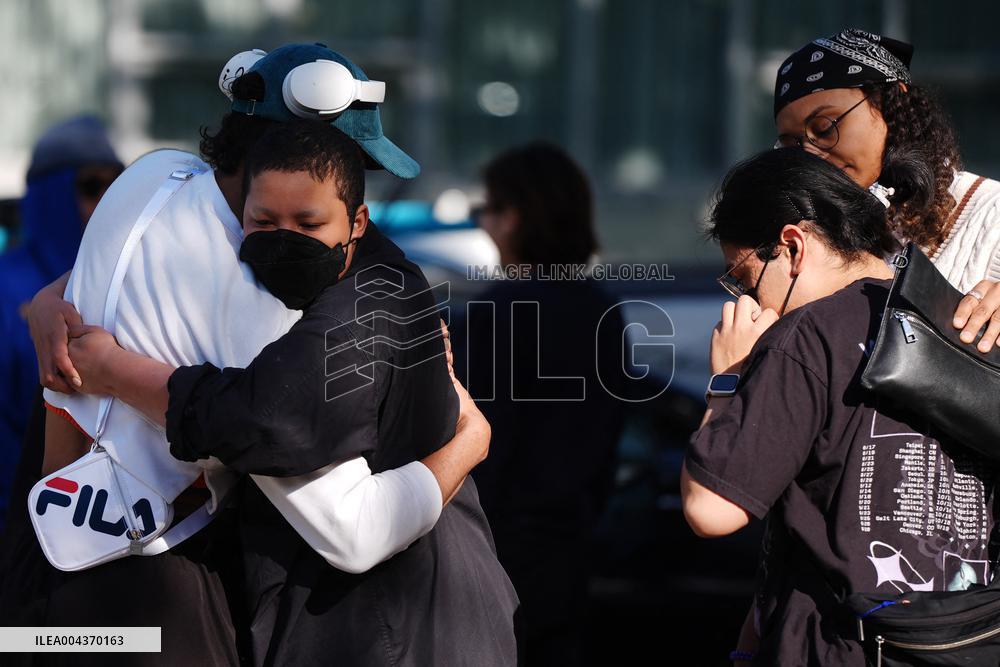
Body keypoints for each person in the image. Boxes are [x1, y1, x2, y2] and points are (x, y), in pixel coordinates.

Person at [0, 45, 497, 666]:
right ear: (283, 153)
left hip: (37, 570)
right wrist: (469, 443)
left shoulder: (149, 178)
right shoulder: (257, 300)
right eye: (340, 161)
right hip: (151, 599)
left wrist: (60, 300)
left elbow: (125, 265)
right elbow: (353, 530)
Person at [682, 148, 998, 666]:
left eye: (742, 279)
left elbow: (709, 509)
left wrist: (727, 380)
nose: (748, 304)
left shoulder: (804, 338)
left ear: (791, 246)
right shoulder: (961, 319)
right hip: (962, 644)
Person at [455, 142, 625, 665]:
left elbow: (472, 444)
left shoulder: (493, 315)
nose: (482, 223)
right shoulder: (601, 310)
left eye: (486, 209)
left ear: (514, 218)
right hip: (569, 549)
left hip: (492, 550)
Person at [773, 28, 1000, 354]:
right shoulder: (813, 243)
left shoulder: (991, 215)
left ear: (892, 103)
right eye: (792, 144)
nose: (810, 153)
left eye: (824, 128)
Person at [0, 116, 122, 531]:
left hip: (104, 518)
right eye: (90, 186)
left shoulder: (125, 282)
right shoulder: (6, 283)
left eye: (115, 184)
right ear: (51, 195)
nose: (105, 200)